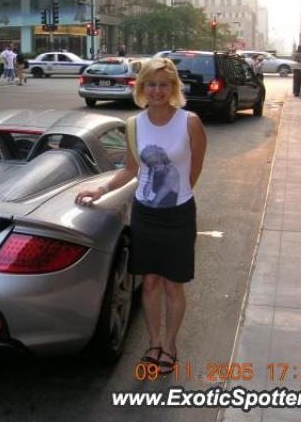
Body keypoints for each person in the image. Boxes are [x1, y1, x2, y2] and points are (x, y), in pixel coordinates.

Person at [74, 58, 207, 374]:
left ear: (173, 87)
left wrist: (177, 196)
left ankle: (170, 345)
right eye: (151, 83)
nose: (157, 90)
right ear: (142, 87)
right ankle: (154, 342)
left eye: (164, 84)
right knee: (148, 283)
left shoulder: (190, 122)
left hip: (178, 215)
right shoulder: (134, 124)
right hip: (145, 214)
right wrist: (102, 189)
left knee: (174, 285)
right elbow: (132, 170)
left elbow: (196, 166)